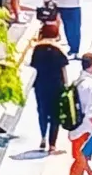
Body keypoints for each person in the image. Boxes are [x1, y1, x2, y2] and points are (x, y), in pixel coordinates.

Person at [30, 21, 69, 154]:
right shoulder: (58, 49)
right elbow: (63, 69)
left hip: (40, 85)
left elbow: (33, 68)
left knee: (42, 111)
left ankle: (43, 136)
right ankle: (52, 144)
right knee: (55, 115)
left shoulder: (37, 49)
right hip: (56, 86)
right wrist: (66, 86)